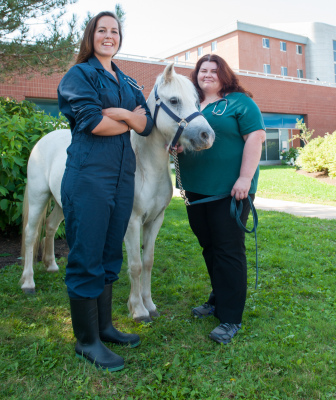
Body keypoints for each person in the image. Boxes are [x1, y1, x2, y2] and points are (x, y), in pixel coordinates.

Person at [57, 11, 154, 371]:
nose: (109, 36)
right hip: (88, 178)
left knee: (110, 254)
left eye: (115, 31)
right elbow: (93, 122)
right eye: (102, 30)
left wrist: (127, 116)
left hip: (121, 178)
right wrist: (128, 118)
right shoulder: (79, 75)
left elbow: (145, 125)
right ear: (91, 36)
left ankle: (105, 327)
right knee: (87, 255)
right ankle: (86, 341)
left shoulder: (126, 80)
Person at [177, 54, 266, 344]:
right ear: (196, 74)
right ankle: (217, 299)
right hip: (195, 191)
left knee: (228, 251)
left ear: (224, 75)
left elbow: (255, 137)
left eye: (214, 71)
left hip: (230, 191)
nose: (208, 75)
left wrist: (244, 178)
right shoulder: (191, 105)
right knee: (210, 248)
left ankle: (230, 318)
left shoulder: (240, 103)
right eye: (203, 70)